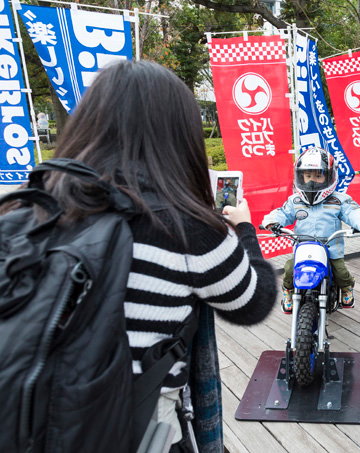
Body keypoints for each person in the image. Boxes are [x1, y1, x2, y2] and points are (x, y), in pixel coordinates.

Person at [44, 60, 277, 452]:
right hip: (130, 426)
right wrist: (245, 230)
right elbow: (254, 300)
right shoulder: (187, 228)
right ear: (179, 136)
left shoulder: (34, 209)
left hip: (29, 416)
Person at [262, 147, 360, 314]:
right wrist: (272, 222)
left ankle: (347, 288)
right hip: (303, 249)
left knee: (341, 272)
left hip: (330, 249)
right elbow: (282, 212)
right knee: (289, 269)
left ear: (330, 175)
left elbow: (353, 211)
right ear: (300, 176)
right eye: (307, 176)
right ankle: (288, 291)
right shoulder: (295, 200)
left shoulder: (339, 200)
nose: (312, 180)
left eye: (318, 175)